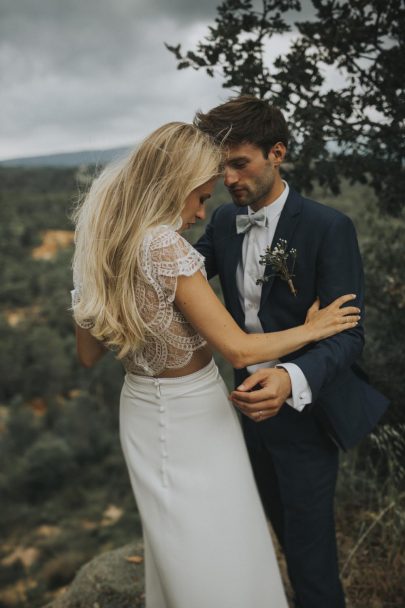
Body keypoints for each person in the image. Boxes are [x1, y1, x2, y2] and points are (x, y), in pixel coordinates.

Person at [71, 122, 361, 608]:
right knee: (216, 545)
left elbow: (86, 354)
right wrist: (314, 327)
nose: (203, 211)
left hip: (144, 411)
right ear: (173, 186)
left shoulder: (103, 241)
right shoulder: (164, 244)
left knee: (184, 543)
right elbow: (240, 350)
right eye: (200, 196)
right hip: (191, 416)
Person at [193, 96, 390, 608]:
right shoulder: (219, 223)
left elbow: (348, 334)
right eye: (221, 167)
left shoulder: (329, 228)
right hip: (244, 411)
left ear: (276, 152)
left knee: (311, 556)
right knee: (272, 535)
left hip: (306, 410)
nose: (229, 178)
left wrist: (289, 378)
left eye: (241, 163)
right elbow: (177, 280)